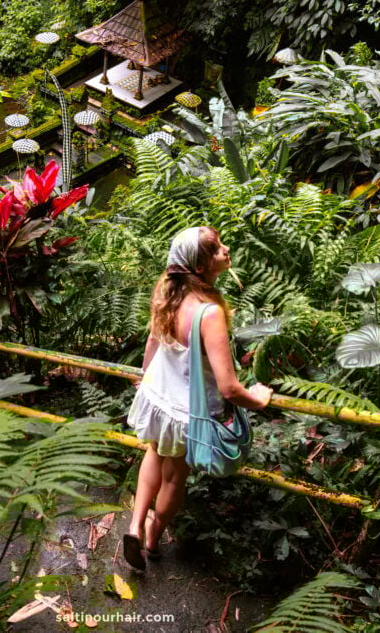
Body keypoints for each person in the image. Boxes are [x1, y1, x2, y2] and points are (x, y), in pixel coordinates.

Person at [123, 226, 273, 570]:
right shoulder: (209, 313)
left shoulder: (168, 289)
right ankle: (152, 536)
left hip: (157, 396)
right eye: (217, 249)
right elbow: (230, 388)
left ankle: (135, 524)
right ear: (202, 267)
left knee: (154, 452)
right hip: (182, 412)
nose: (226, 249)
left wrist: (145, 377)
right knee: (175, 477)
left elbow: (153, 340)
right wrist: (259, 399)